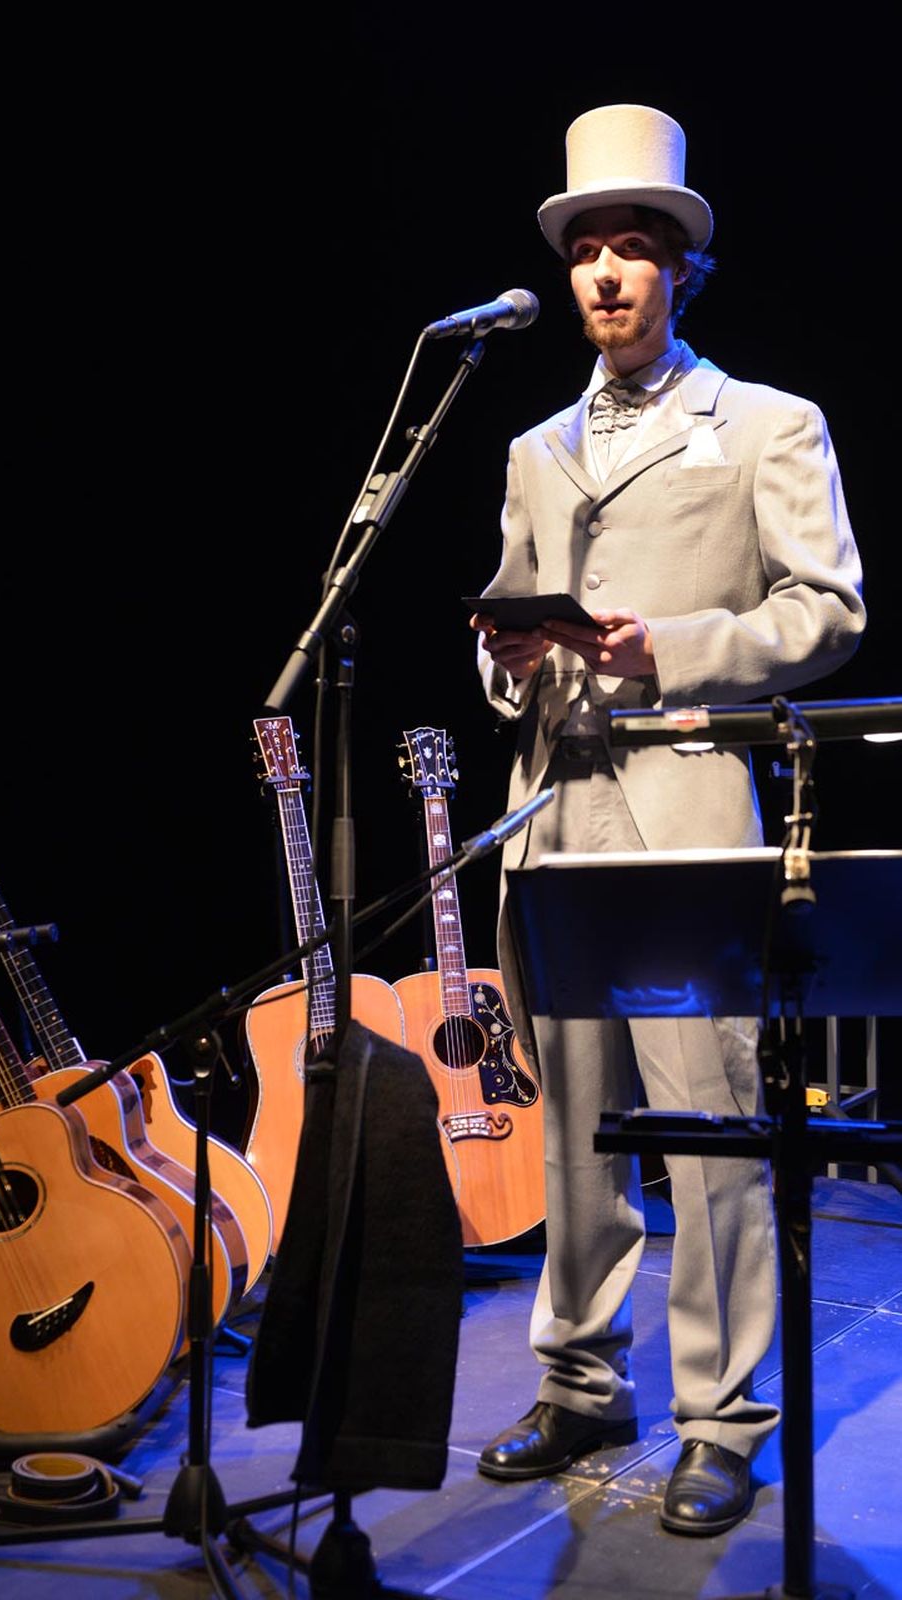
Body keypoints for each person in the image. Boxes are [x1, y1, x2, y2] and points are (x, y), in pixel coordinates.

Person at [469, 103, 865, 1537]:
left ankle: (721, 1417)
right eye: (587, 251)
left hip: (686, 800)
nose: (605, 273)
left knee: (709, 1127)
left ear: (680, 273)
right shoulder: (532, 446)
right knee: (573, 1122)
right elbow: (508, 609)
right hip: (554, 809)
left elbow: (827, 612)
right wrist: (508, 660)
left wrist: (672, 651)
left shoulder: (764, 423)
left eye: (632, 249)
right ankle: (581, 1379)